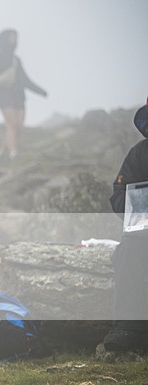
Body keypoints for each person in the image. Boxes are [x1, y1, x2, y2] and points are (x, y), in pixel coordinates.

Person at [102, 99, 148, 352]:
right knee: (127, 252)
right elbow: (119, 193)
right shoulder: (139, 154)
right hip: (143, 233)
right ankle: (127, 329)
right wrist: (137, 211)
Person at [0, 29, 47, 160]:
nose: (15, 41)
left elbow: (25, 80)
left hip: (18, 96)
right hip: (3, 94)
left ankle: (1, 150)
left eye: (16, 38)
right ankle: (13, 153)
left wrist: (41, 91)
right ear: (5, 40)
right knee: (12, 123)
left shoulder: (17, 60)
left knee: (18, 126)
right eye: (12, 38)